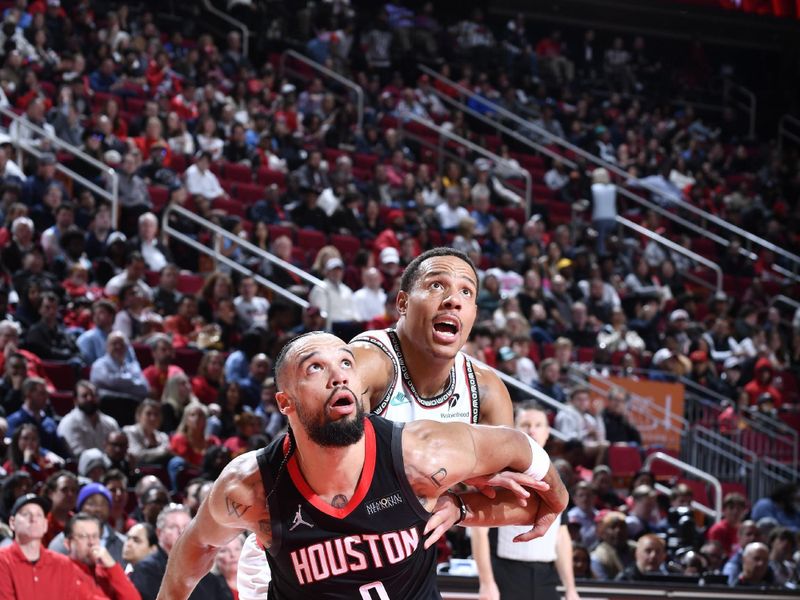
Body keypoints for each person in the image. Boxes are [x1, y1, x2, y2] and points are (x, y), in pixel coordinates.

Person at [156, 331, 567, 599]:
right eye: (316, 368)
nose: (338, 376)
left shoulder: (422, 455)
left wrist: (464, 508)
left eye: (346, 364)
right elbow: (196, 546)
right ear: (285, 403)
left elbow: (517, 446)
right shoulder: (251, 488)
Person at [350, 248, 566, 598]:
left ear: (474, 314)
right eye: (437, 285)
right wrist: (454, 472)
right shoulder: (369, 362)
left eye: (466, 291)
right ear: (403, 303)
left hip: (400, 562)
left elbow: (526, 501)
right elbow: (339, 468)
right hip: (316, 546)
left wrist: (460, 506)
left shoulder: (485, 389)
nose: (453, 299)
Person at [491, 403, 581, 600]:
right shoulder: (499, 471)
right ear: (514, 429)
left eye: (539, 425)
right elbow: (479, 531)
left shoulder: (557, 476)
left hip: (546, 576)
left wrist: (571, 589)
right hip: (506, 573)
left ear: (548, 433)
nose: (532, 430)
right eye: (525, 424)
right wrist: (486, 582)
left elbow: (561, 534)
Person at [131, 503, 232, 600]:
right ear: (159, 533)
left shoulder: (205, 572)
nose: (181, 531)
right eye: (173, 527)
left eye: (186, 526)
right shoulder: (146, 570)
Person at [0, 493, 84, 597]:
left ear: (45, 525)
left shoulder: (64, 565)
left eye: (39, 515)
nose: (33, 519)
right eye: (26, 514)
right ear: (12, 523)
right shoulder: (3, 561)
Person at [63, 512, 141, 599]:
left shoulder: (105, 572)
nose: (91, 542)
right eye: (83, 536)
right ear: (68, 543)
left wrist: (112, 566)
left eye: (95, 536)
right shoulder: (62, 573)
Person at [56, 380, 120, 456]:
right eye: (84, 396)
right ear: (75, 400)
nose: (90, 399)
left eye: (93, 395)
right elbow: (78, 455)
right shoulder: (68, 423)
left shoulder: (110, 422)